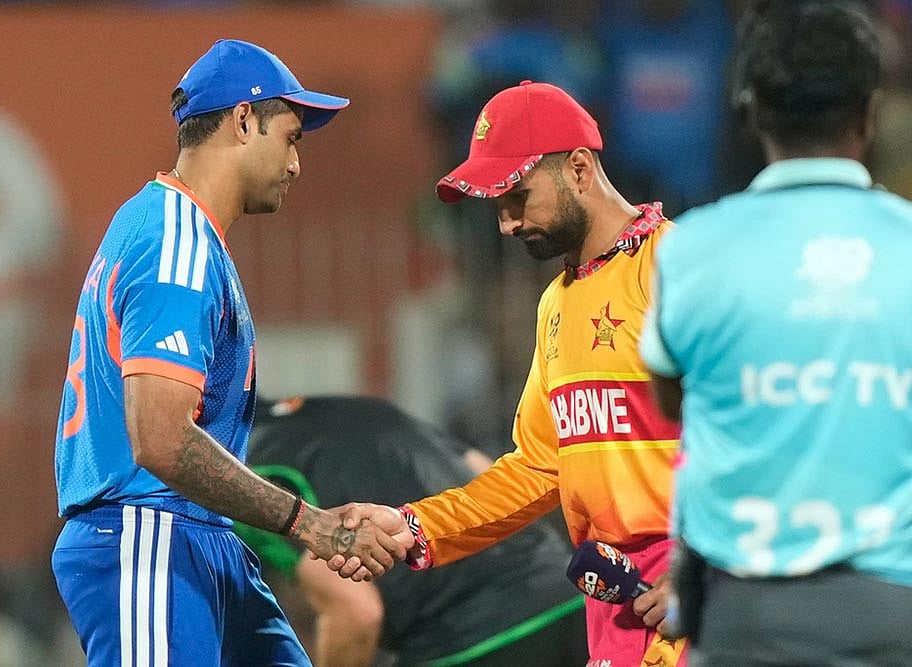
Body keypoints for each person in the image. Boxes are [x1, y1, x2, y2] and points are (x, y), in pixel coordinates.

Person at [50, 39, 410, 667]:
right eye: (292, 137)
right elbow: (160, 439)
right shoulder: (175, 242)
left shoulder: (176, 233)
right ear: (245, 121)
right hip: (150, 536)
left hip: (197, 538)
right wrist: (308, 524)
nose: (297, 164)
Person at [336, 81, 686, 666]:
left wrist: (702, 565)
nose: (504, 224)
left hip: (687, 594)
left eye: (517, 196)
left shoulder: (675, 268)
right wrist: (413, 526)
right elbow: (536, 467)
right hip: (616, 604)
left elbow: (752, 433)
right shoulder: (556, 303)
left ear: (578, 168)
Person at [640, 2, 912, 664]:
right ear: (869, 113)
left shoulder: (692, 249)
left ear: (751, 110)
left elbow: (671, 399)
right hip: (894, 610)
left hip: (744, 619)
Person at [235, 395, 588, 667]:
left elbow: (356, 614)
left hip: (469, 642)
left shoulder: (250, 483)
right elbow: (486, 473)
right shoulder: (360, 408)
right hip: (568, 599)